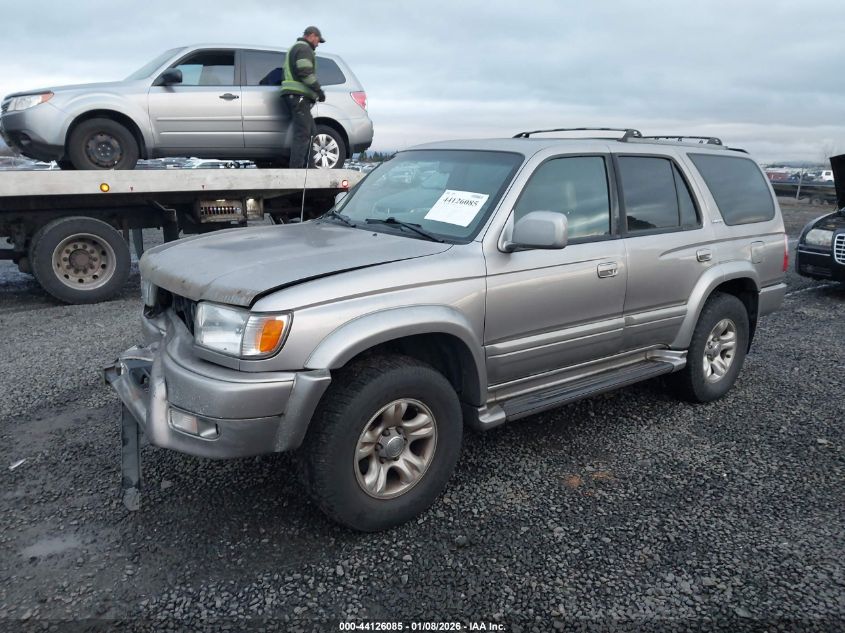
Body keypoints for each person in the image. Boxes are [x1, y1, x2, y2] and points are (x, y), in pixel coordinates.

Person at [281, 26, 327, 168]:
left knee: (311, 132)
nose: (317, 44)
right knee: (303, 134)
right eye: (318, 40)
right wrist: (319, 91)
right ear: (312, 36)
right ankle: (297, 171)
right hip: (298, 96)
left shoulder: (295, 48)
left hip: (295, 96)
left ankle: (310, 168)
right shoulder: (304, 49)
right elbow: (305, 72)